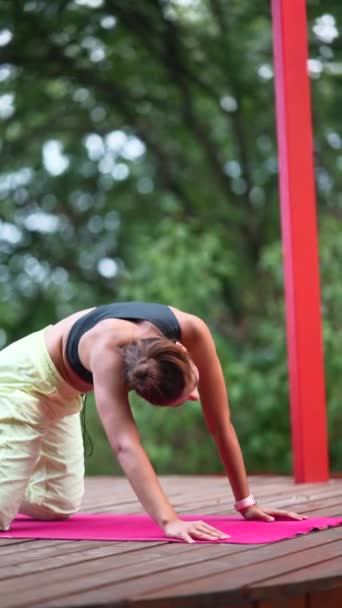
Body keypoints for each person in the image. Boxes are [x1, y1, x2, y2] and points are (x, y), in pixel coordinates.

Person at [0, 301, 305, 542]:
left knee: (55, 506)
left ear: (183, 353)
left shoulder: (192, 330)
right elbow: (124, 445)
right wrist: (169, 521)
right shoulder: (108, 352)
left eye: (190, 390)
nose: (196, 397)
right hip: (22, 382)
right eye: (189, 395)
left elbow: (220, 423)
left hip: (64, 397)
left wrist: (247, 504)